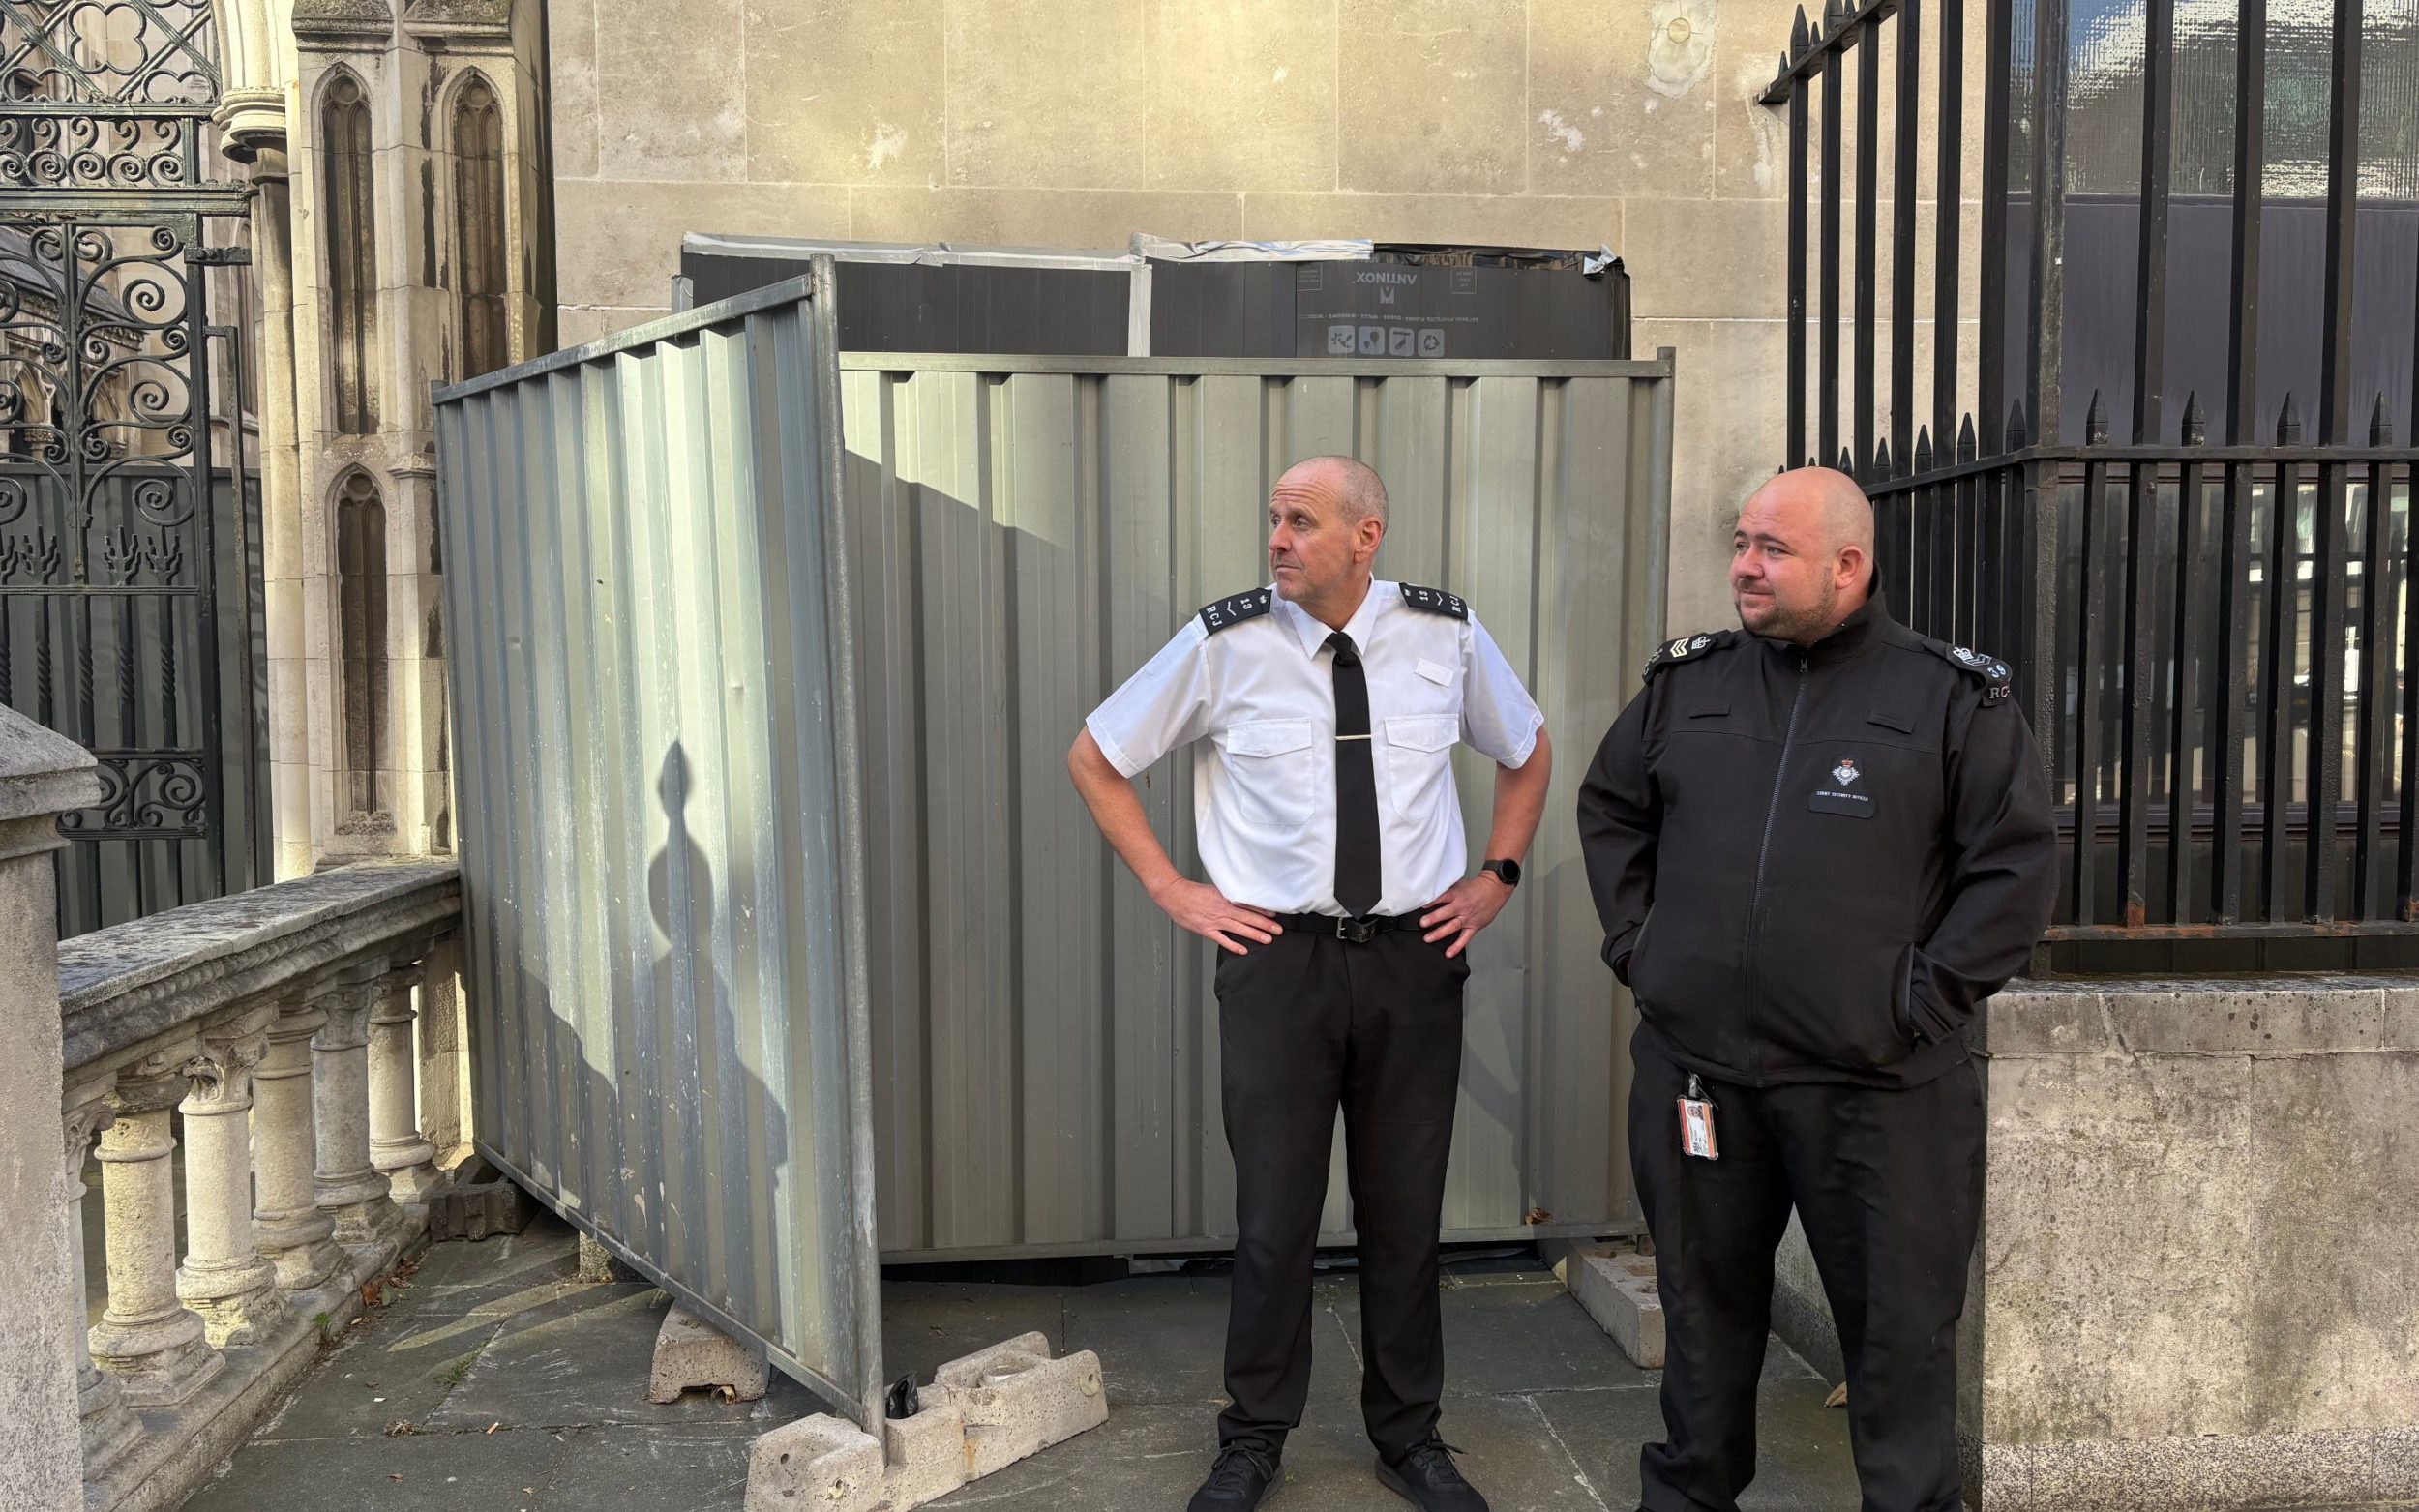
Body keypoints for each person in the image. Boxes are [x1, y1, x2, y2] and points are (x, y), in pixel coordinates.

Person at [1068, 456, 1553, 1512]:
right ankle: (1252, 1438)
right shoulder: (1224, 643)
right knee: (1274, 1214)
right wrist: (1172, 888)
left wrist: (1495, 878)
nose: (1277, 540)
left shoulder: (1444, 636)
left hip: (1412, 959)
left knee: (1403, 1210)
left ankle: (1410, 1437)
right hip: (1276, 963)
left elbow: (1525, 748)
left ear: (1365, 536)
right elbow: (1096, 754)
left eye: (1301, 522)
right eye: (1273, 520)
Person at [1574, 466, 2056, 1512]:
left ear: (1848, 564)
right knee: (1701, 1329)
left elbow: (2012, 873)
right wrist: (1643, 950)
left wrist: (1915, 1006)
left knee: (1896, 1350)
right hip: (1700, 1079)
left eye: (1771, 549)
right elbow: (1611, 809)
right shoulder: (1686, 685)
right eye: (1741, 542)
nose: (1744, 566)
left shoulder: (1948, 699)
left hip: (1879, 1096)